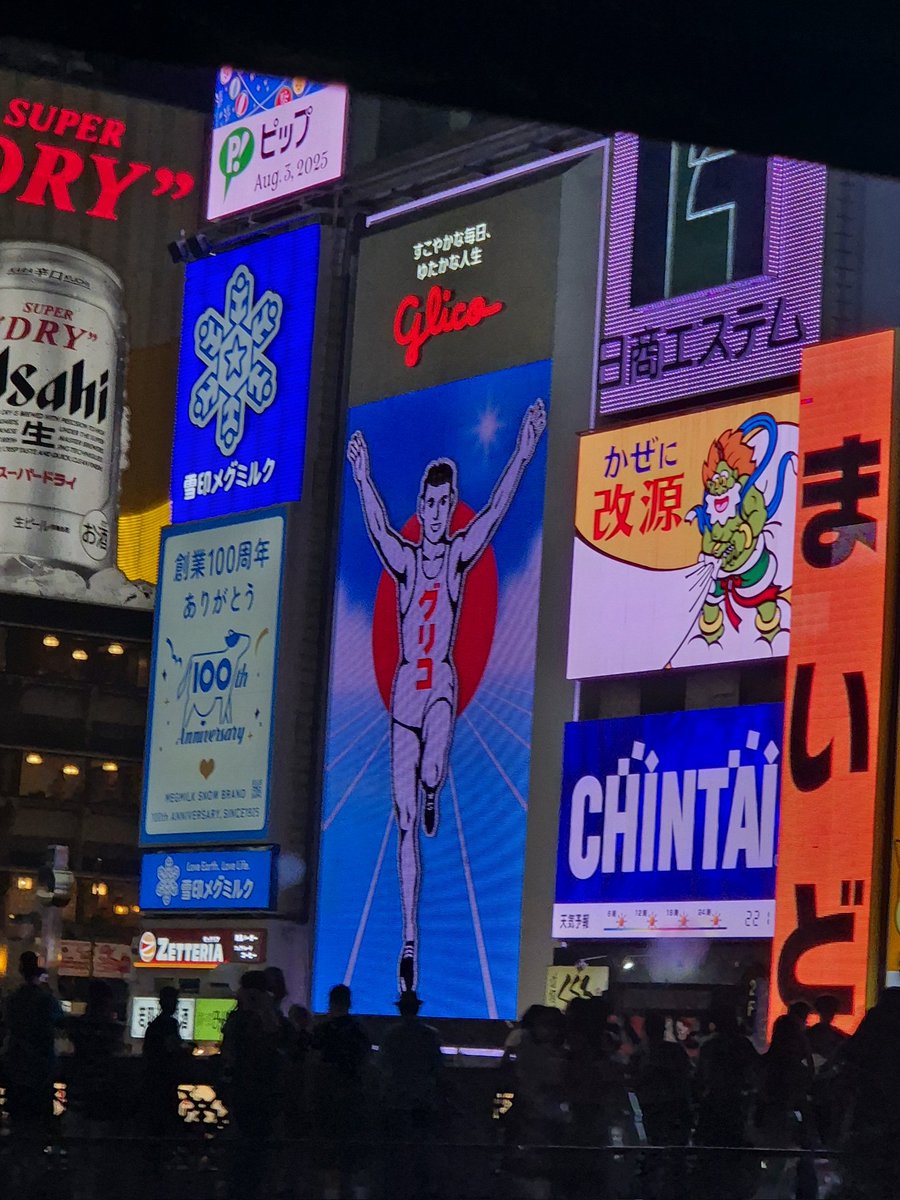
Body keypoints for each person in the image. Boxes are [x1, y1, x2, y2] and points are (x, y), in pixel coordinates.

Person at [347, 397, 546, 993]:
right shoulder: (407, 562)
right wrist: (362, 476)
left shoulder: (458, 557)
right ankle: (410, 940)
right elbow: (377, 528)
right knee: (404, 821)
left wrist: (524, 451)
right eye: (428, 504)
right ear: (420, 507)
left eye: (444, 503)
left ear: (450, 504)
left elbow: (497, 511)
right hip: (404, 695)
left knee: (432, 769)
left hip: (440, 685)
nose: (436, 512)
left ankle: (434, 785)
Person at [221, 971, 285, 1199]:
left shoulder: (238, 1019)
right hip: (263, 1090)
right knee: (258, 1145)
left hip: (244, 1089)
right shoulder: (268, 1018)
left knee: (244, 1143)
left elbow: (229, 1054)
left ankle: (241, 1187)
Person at [379, 991, 445, 1199]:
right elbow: (438, 1068)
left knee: (396, 1152)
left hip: (396, 1100)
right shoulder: (430, 1035)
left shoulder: (390, 1035)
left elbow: (382, 1065)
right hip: (422, 1099)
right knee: (421, 1151)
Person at [65, 980, 126, 1200]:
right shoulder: (112, 1029)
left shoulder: (78, 1026)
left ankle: (78, 1193)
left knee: (76, 1155)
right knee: (96, 1155)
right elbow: (116, 1051)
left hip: (77, 1094)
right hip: (100, 1097)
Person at [311, 984, 372, 1200]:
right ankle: (345, 1187)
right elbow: (365, 1060)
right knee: (347, 1143)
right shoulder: (358, 1029)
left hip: (327, 1092)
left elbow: (314, 1059)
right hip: (351, 1091)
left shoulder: (322, 1029)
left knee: (326, 1143)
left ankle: (323, 1188)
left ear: (331, 1003)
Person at [2, 950, 63, 1134]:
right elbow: (60, 1022)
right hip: (41, 1066)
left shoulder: (13, 999)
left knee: (17, 1120)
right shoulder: (46, 999)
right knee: (39, 1121)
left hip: (17, 1063)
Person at [142, 985, 185, 1136]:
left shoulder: (155, 1025)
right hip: (165, 1077)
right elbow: (172, 1047)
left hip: (153, 1077)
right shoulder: (170, 1024)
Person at [807, 994, 848, 1064]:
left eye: (830, 1011)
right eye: (827, 1011)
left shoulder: (808, 1033)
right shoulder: (839, 1036)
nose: (829, 1014)